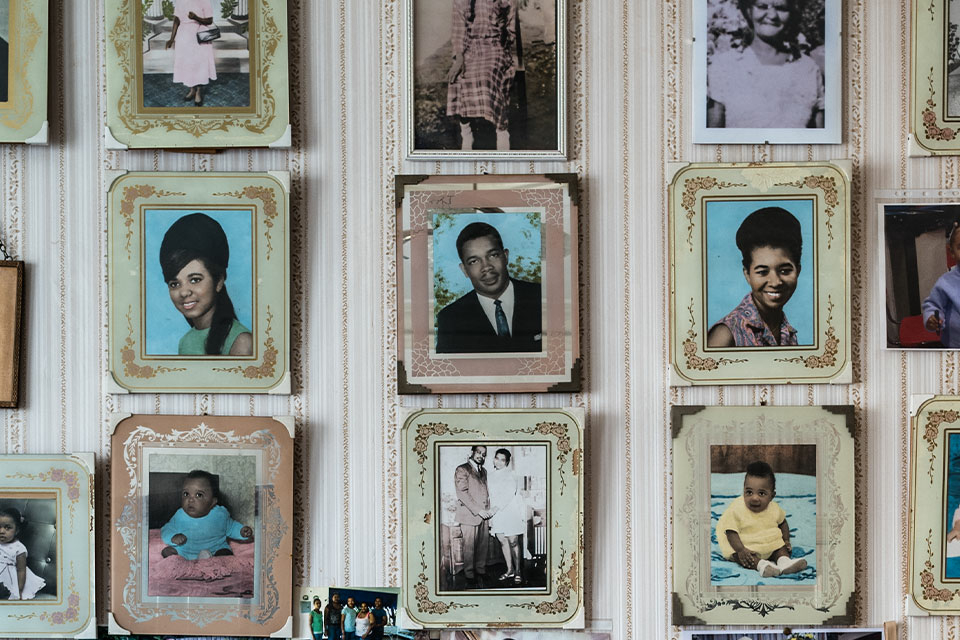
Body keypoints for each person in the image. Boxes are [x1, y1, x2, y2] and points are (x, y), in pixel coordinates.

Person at [707, 0, 824, 129]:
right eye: (762, 6)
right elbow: (714, 137)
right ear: (748, 11)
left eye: (781, 8)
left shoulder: (808, 69)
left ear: (792, 13)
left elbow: (820, 139)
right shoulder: (725, 65)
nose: (772, 15)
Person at [436, 222, 542, 354]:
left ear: (506, 256)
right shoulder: (450, 319)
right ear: (464, 270)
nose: (486, 267)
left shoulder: (542, 296)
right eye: (474, 261)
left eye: (493, 255)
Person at [159, 212, 253, 356]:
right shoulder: (185, 341)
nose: (184, 292)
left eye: (195, 280)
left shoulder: (241, 343)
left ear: (219, 281)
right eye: (174, 284)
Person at [707, 207, 802, 347]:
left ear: (798, 270)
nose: (775, 282)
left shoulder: (787, 332)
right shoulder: (726, 335)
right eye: (763, 272)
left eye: (785, 271)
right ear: (747, 274)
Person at [446, 0, 518, 151]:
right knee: (459, 78)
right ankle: (466, 132)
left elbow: (510, 33)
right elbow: (459, 31)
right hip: (471, 48)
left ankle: (502, 130)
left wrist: (503, 27)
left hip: (495, 46)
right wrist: (459, 58)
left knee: (486, 78)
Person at [716, 461, 807, 577]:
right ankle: (762, 565)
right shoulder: (736, 508)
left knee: (780, 548)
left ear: (772, 496)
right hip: (746, 546)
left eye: (762, 493)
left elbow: (783, 522)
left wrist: (786, 540)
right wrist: (741, 550)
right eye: (749, 492)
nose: (754, 498)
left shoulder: (774, 508)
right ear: (743, 491)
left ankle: (784, 562)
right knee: (742, 557)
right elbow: (730, 531)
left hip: (769, 544)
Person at [159, 469, 253, 559]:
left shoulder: (219, 515)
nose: (190, 499)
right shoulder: (180, 515)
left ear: (212, 502)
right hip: (186, 551)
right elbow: (167, 529)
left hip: (214, 549)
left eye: (199, 495)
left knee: (225, 553)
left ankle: (215, 558)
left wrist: (241, 531)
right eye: (186, 494)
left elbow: (232, 527)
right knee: (167, 552)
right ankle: (181, 560)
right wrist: (173, 537)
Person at [165, 0, 217, 107]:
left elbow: (210, 21)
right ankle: (192, 90)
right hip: (183, 36)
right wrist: (171, 39)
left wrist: (196, 18)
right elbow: (176, 20)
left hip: (199, 36)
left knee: (199, 65)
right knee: (188, 65)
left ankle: (198, 92)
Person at [488, 448, 526, 585]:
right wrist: (491, 514)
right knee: (502, 541)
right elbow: (491, 497)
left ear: (507, 462)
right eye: (497, 458)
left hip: (510, 512)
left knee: (513, 541)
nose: (498, 462)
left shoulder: (511, 475)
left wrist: (494, 509)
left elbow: (508, 495)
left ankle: (518, 572)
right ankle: (509, 570)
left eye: (502, 460)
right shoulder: (490, 476)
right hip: (497, 514)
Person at [455, 445, 492, 587]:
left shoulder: (484, 471)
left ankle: (481, 571)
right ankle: (469, 575)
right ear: (472, 452)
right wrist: (478, 510)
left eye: (484, 454)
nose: (481, 456)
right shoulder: (462, 469)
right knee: (469, 547)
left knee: (483, 546)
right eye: (478, 452)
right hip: (469, 515)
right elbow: (462, 493)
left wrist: (487, 511)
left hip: (484, 515)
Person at [923, 217, 960, 348]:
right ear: (952, 252)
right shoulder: (945, 282)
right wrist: (932, 318)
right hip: (954, 345)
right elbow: (933, 305)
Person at [0, 507, 45, 600]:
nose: (1, 531)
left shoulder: (19, 548)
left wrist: (19, 590)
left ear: (16, 530)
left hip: (9, 579)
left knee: (6, 593)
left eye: (7, 528)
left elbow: (21, 570)